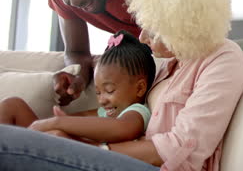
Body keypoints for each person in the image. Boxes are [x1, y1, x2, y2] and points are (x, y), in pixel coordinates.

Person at [0, 0, 243, 171]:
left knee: (8, 141)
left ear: (181, 26)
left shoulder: (223, 59)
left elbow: (180, 147)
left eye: (152, 29)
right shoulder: (168, 65)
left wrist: (95, 148)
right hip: (126, 155)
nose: (142, 37)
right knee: (26, 123)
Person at [0, 30, 155, 145]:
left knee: (57, 134)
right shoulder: (105, 112)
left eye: (109, 91)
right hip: (72, 147)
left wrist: (57, 123)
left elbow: (123, 128)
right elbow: (81, 118)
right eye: (98, 92)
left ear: (140, 88)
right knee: (12, 105)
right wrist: (65, 121)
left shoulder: (137, 111)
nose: (101, 100)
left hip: (90, 158)